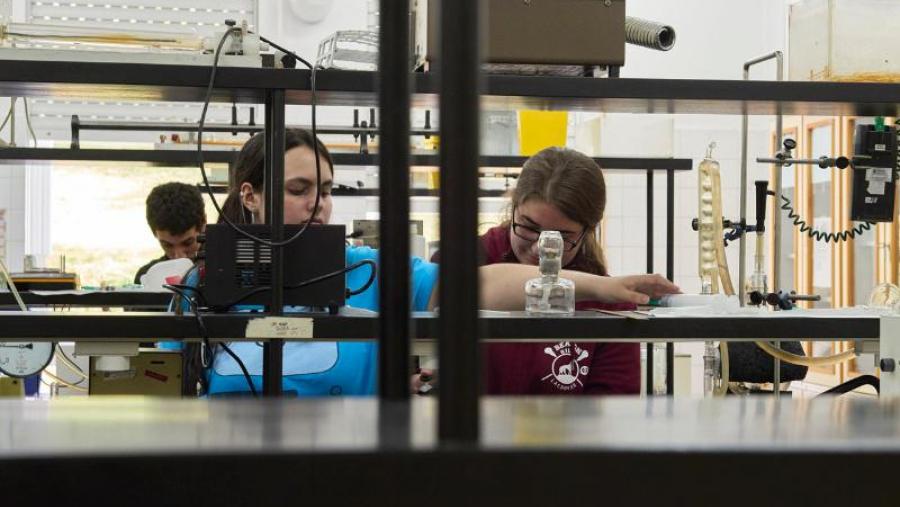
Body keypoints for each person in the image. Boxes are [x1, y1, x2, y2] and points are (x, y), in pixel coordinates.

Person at [178, 129, 678, 397]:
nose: (318, 204)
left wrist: (604, 289)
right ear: (250, 195)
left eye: (326, 190)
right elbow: (159, 385)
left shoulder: (366, 273)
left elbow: (474, 287)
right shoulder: (200, 287)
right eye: (298, 189)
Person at [425, 147, 645, 395]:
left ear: (588, 231)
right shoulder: (457, 263)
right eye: (529, 227)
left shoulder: (608, 305)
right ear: (514, 206)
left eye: (562, 236)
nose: (542, 247)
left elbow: (614, 409)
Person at [134, 182, 206, 284]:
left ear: (203, 224)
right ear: (154, 233)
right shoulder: (149, 277)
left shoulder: (226, 269)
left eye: (188, 243)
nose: (179, 256)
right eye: (167, 245)